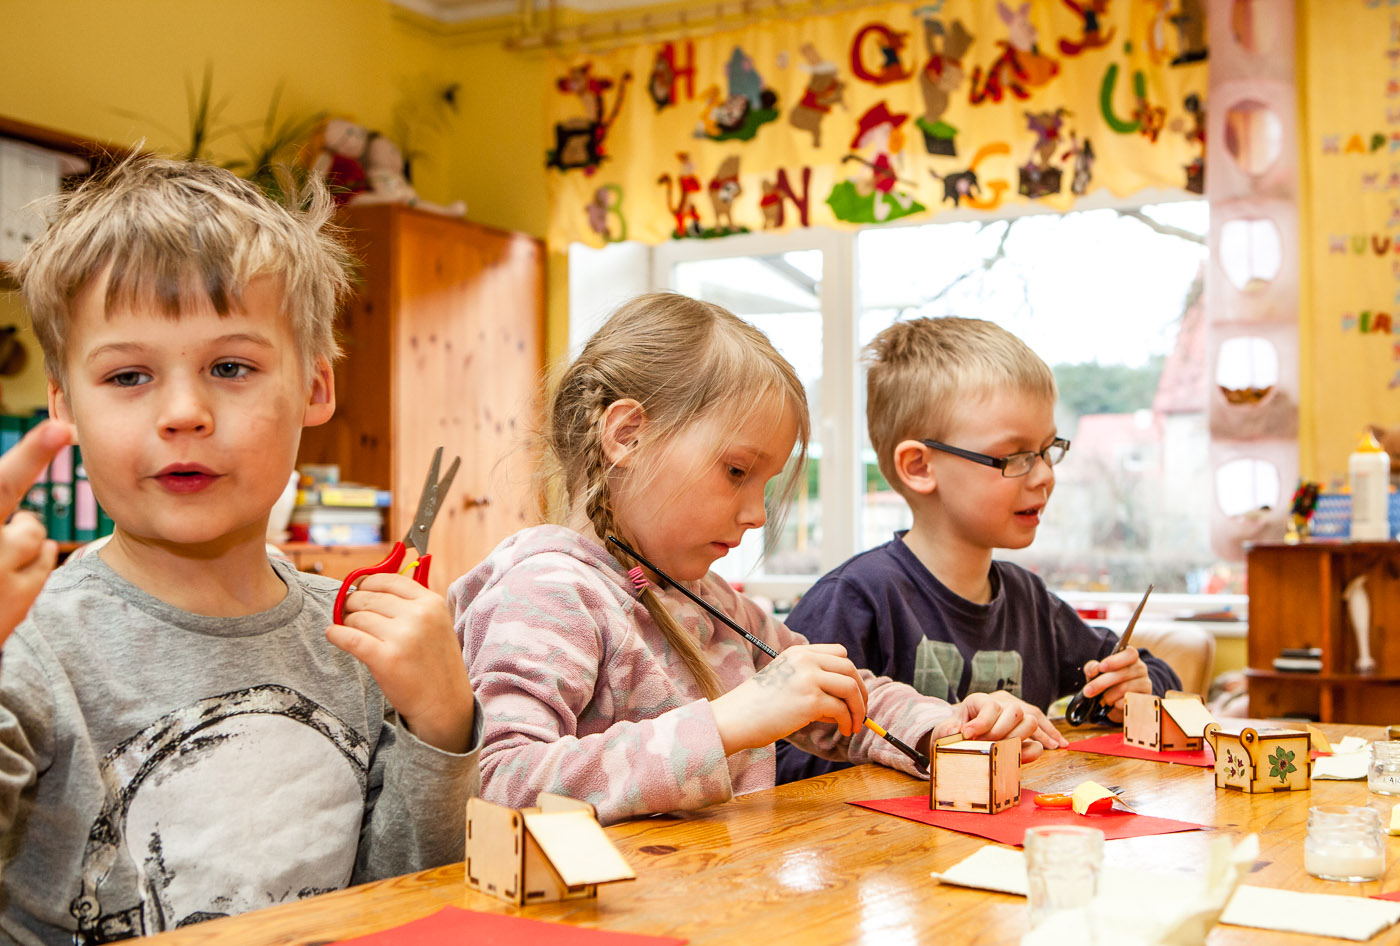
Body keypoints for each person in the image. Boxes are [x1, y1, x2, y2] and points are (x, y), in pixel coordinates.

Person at [1, 154, 482, 945]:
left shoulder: (360, 640)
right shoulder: (26, 645)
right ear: (64, 406)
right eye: (128, 376)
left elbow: (401, 905)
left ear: (317, 386)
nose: (184, 411)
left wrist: (440, 726)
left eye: (230, 367)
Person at [450, 292, 1061, 827]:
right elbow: (501, 784)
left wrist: (948, 726)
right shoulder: (545, 591)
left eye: (763, 484)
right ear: (627, 435)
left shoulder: (709, 600)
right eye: (737, 471)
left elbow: (843, 695)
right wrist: (728, 723)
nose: (756, 514)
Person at [776, 316, 1180, 784]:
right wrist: (941, 737)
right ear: (920, 466)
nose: (1046, 474)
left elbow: (1155, 672)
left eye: (1048, 450)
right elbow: (780, 762)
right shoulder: (854, 600)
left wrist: (1135, 689)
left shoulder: (1031, 602)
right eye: (1015, 456)